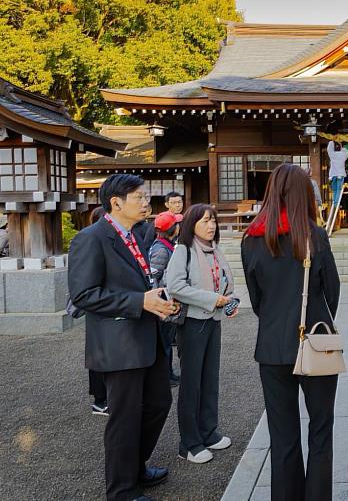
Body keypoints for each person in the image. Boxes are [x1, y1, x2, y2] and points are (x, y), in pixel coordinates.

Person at [68, 174, 175, 501]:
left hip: (146, 336)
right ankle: (122, 490)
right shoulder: (91, 238)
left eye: (146, 197)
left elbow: (138, 282)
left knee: (158, 403)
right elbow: (83, 295)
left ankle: (135, 467)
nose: (146, 203)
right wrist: (139, 301)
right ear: (116, 202)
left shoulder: (135, 235)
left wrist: (156, 298)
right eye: (139, 197)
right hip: (119, 345)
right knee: (125, 419)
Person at [241, 163, 340, 501]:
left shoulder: (252, 239)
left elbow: (256, 299)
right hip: (315, 342)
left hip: (271, 347)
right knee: (321, 430)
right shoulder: (315, 236)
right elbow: (332, 292)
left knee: (282, 435)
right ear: (303, 196)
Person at [166, 203, 237, 464]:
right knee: (192, 383)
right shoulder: (183, 250)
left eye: (213, 221)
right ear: (191, 224)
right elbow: (175, 286)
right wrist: (212, 299)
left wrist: (229, 300)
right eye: (205, 221)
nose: (211, 225)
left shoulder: (214, 250)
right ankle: (189, 443)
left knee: (210, 379)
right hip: (193, 324)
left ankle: (208, 431)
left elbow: (224, 283)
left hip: (213, 321)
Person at [149, 211, 183, 387]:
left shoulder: (166, 245)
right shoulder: (161, 250)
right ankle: (165, 376)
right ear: (172, 229)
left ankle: (168, 374)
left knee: (167, 341)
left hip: (167, 299)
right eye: (177, 224)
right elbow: (153, 276)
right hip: (164, 300)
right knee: (165, 343)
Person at [86, 206, 108, 416]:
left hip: (107, 307)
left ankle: (104, 397)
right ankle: (100, 400)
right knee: (99, 357)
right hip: (100, 308)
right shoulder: (91, 242)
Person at [327, 140, 348, 208]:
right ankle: (336, 204)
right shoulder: (343, 154)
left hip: (333, 175)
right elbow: (346, 150)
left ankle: (335, 202)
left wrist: (332, 141)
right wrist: (341, 145)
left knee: (334, 190)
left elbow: (329, 148)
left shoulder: (332, 154)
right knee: (339, 189)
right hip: (340, 174)